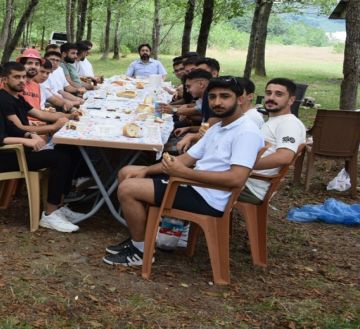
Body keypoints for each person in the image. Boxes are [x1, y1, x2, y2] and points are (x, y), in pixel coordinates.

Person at [103, 77, 265, 266]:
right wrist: (147, 170)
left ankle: (140, 251)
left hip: (209, 197)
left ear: (240, 99)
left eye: (225, 96)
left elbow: (236, 179)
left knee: (128, 188)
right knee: (128, 172)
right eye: (212, 97)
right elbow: (186, 159)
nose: (217, 102)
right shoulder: (219, 127)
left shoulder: (246, 132)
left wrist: (184, 173)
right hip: (195, 184)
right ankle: (141, 239)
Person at [0, 60, 83, 232]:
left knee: (68, 149)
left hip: (12, 152)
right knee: (61, 158)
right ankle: (50, 215)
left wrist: (29, 135)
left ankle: (58, 206)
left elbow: (10, 128)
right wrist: (24, 141)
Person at [238, 78, 306, 204]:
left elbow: (284, 157)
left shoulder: (289, 123)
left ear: (291, 100)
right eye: (268, 93)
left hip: (251, 187)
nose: (271, 97)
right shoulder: (275, 121)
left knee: (195, 184)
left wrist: (241, 166)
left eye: (279, 94)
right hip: (244, 180)